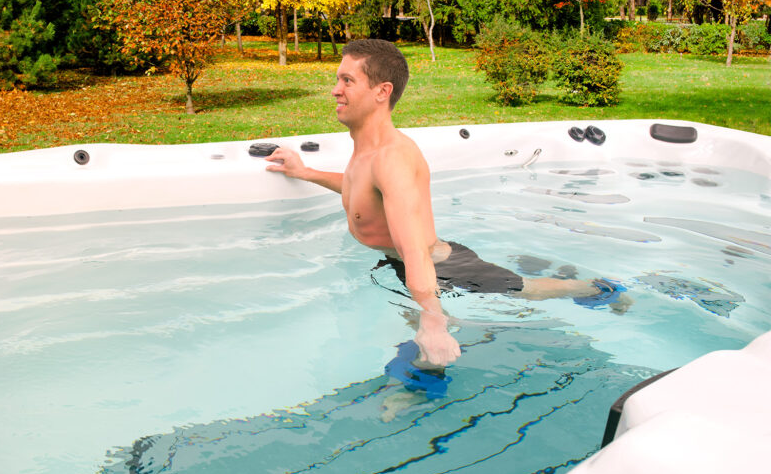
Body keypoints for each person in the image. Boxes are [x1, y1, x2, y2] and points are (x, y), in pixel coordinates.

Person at [264, 38, 628, 368]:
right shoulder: (368, 149)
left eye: (347, 81)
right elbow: (359, 189)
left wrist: (434, 320)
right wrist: (306, 172)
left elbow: (414, 251)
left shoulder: (391, 158)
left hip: (442, 267)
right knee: (424, 330)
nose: (335, 90)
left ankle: (596, 288)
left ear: (381, 91)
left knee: (521, 295)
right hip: (404, 263)